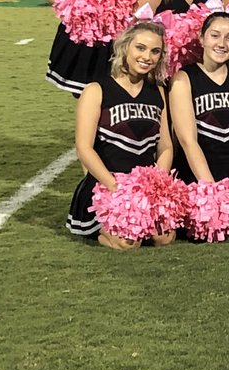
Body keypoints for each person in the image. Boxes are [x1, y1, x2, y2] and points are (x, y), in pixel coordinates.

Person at [66, 21, 175, 249]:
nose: (147, 56)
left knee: (163, 238)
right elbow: (84, 148)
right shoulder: (96, 90)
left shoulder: (158, 91)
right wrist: (115, 188)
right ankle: (99, 231)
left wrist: (156, 185)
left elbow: (164, 145)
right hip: (105, 186)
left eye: (155, 51)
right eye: (140, 48)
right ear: (125, 48)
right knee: (128, 243)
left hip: (144, 187)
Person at [169, 11, 229, 183]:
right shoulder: (184, 79)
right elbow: (188, 141)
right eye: (214, 36)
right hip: (195, 179)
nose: (222, 44)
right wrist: (210, 189)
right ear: (201, 38)